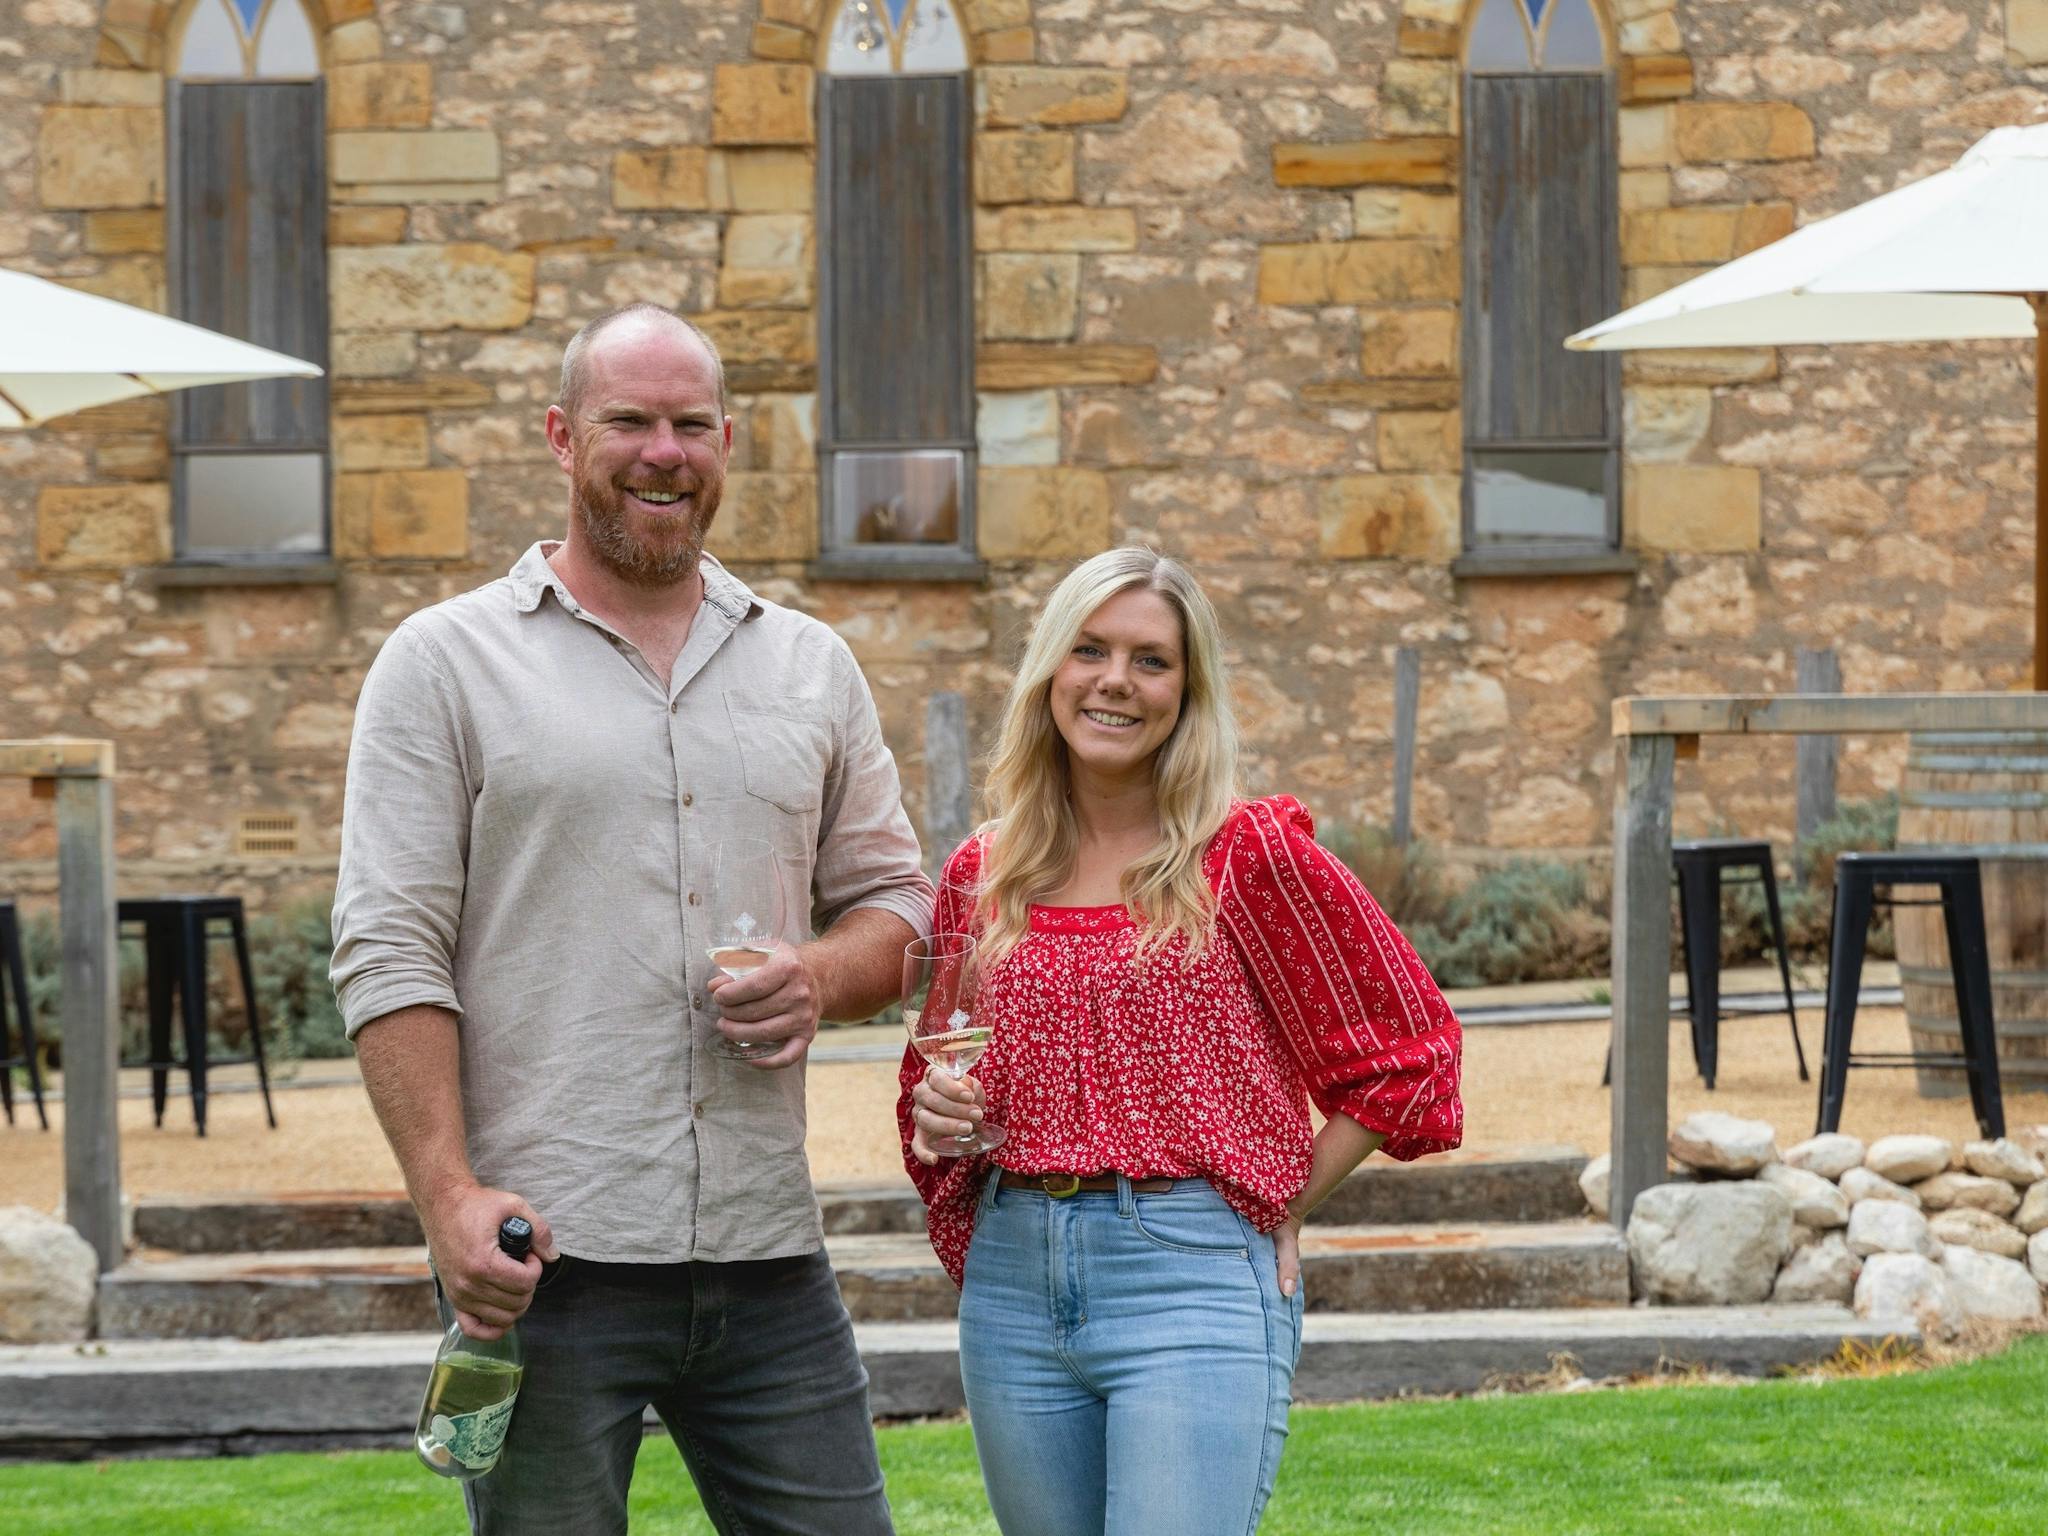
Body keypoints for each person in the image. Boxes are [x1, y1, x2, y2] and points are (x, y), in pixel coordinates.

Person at [332, 301, 932, 1536]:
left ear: (728, 440)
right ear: (561, 436)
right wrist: (445, 1197)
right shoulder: (442, 663)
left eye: (690, 425)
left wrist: (818, 973)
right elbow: (389, 950)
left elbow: (899, 908)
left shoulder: (810, 666)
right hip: (545, 1265)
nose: (663, 451)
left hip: (769, 1255)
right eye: (628, 422)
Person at [899, 546, 1463, 1536]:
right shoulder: (981, 874)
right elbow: (937, 1076)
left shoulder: (1246, 856)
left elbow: (1409, 1054)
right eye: (1089, 651)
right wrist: (942, 1113)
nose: (1114, 681)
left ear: (1186, 689)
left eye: (1149, 660)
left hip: (1190, 1280)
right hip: (1014, 1286)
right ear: (1049, 674)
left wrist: (1280, 1194)